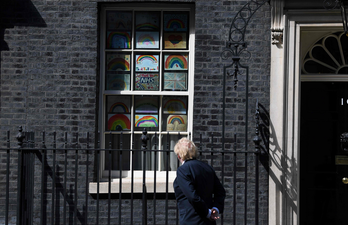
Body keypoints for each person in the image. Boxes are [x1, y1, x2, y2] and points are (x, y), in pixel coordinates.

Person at [173, 137, 226, 225]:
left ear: (179, 155)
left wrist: (208, 213)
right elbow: (220, 192)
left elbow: (192, 196)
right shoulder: (207, 168)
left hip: (191, 220)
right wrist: (215, 209)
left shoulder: (183, 170)